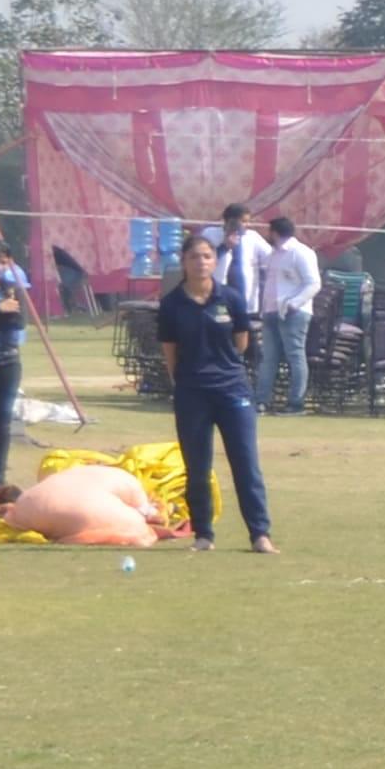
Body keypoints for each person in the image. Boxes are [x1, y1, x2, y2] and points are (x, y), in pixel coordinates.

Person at [154, 238, 273, 553]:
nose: (201, 262)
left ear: (214, 261)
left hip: (232, 390)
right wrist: (185, 383)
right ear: (184, 261)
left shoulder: (230, 298)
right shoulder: (172, 304)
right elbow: (170, 352)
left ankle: (260, 535)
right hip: (192, 393)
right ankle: (204, 535)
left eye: (207, 256)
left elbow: (241, 342)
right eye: (194, 257)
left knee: (246, 464)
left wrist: (223, 368)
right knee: (197, 467)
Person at [252, 214, 320, 410]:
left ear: (274, 232)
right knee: (269, 357)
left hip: (294, 313)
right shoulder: (273, 254)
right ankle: (262, 400)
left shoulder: (301, 252)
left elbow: (314, 283)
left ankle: (296, 402)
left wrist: (294, 304)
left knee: (295, 356)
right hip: (271, 311)